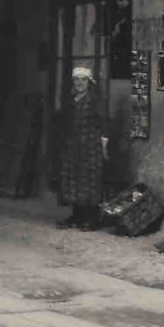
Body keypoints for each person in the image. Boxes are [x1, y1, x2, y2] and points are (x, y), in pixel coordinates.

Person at [57, 66, 109, 231]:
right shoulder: (71, 101)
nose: (80, 83)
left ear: (89, 82)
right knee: (74, 180)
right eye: (77, 80)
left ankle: (91, 218)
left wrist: (104, 147)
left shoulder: (95, 100)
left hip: (90, 146)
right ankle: (76, 215)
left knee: (90, 180)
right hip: (73, 146)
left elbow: (104, 124)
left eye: (83, 80)